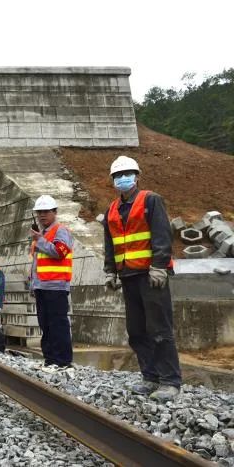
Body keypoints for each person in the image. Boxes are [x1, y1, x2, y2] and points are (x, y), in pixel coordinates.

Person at [102, 156, 181, 401]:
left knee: (159, 329)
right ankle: (150, 376)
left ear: (137, 176)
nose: (123, 178)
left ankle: (170, 381)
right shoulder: (112, 210)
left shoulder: (151, 200)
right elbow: (110, 244)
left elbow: (162, 235)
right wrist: (110, 271)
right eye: (118, 175)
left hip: (150, 275)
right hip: (128, 276)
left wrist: (159, 266)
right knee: (136, 330)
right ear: (113, 180)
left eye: (127, 174)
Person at [29, 195, 74, 370]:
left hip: (56, 286)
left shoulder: (60, 231)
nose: (42, 215)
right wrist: (33, 284)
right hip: (42, 286)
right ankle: (50, 360)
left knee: (57, 324)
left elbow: (59, 252)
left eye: (46, 212)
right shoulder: (44, 234)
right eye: (39, 212)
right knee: (45, 324)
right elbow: (37, 263)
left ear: (54, 212)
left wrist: (39, 240)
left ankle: (62, 361)